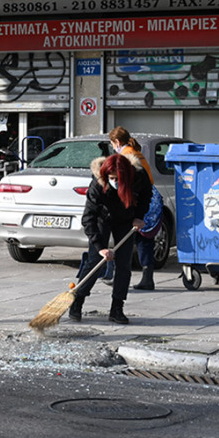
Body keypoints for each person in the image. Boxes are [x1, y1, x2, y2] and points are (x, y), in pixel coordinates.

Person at [69, 153, 153, 324]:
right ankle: (77, 301)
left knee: (123, 264)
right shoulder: (98, 184)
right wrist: (101, 247)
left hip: (126, 220)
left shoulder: (138, 177)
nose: (114, 181)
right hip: (103, 219)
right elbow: (88, 218)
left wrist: (139, 216)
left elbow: (146, 195)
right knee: (94, 261)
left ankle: (117, 308)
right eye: (111, 178)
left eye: (118, 178)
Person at [109, 126, 159, 290]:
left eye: (112, 143)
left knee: (135, 238)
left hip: (142, 199)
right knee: (145, 239)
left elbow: (127, 183)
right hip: (151, 197)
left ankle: (121, 274)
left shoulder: (125, 156)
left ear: (116, 142)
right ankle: (147, 277)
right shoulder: (135, 152)